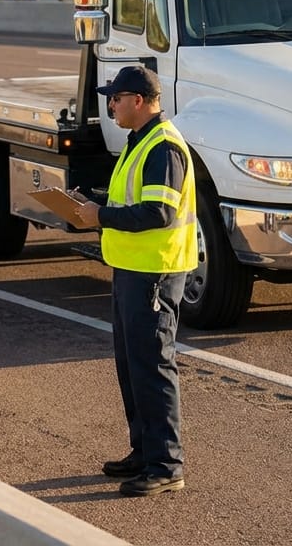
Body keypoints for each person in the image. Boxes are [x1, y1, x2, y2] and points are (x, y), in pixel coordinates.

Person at [74, 65, 196, 498]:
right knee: (132, 365)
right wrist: (95, 205)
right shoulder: (141, 142)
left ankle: (166, 464)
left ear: (139, 101)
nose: (111, 105)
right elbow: (136, 200)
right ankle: (144, 452)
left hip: (155, 274)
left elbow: (157, 214)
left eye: (116, 98)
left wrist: (101, 216)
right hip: (133, 269)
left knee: (152, 367)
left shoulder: (163, 147)